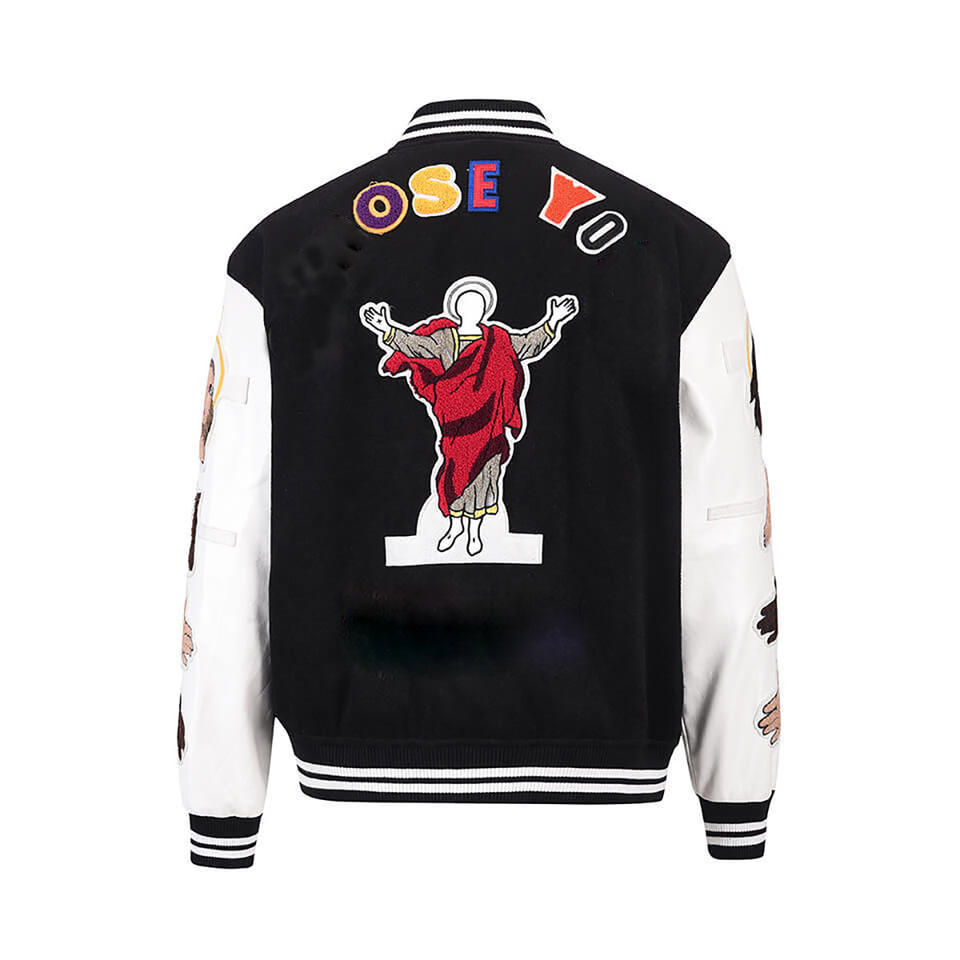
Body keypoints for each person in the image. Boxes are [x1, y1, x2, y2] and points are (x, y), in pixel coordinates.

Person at [360, 276, 578, 556]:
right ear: (457, 309)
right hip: (457, 425)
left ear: (485, 310)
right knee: (455, 475)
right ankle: (454, 528)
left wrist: (553, 321)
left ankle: (474, 534)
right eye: (466, 304)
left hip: (489, 425)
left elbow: (527, 344)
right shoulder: (443, 339)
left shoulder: (498, 339)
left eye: (478, 305)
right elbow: (416, 346)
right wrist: (387, 329)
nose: (472, 309)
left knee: (484, 478)